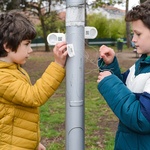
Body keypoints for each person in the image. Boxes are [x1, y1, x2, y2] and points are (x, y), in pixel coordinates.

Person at [0, 11, 68, 150]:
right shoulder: (2, 77)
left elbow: (17, 116)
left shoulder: (14, 69)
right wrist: (57, 65)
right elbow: (34, 96)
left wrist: (33, 143)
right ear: (7, 46)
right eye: (26, 44)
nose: (30, 50)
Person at [97, 1, 150, 150]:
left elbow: (143, 119)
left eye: (138, 34)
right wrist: (110, 65)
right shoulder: (142, 63)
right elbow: (125, 91)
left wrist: (109, 84)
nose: (133, 39)